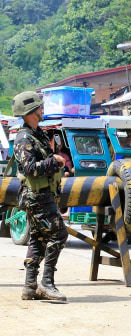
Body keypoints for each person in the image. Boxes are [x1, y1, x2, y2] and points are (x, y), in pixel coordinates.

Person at [11, 91, 68, 302]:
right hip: (36, 196)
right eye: (40, 107)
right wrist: (55, 161)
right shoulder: (23, 138)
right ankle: (46, 283)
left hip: (44, 194)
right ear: (31, 111)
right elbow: (30, 169)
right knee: (59, 234)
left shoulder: (38, 134)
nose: (43, 110)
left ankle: (30, 286)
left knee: (38, 237)